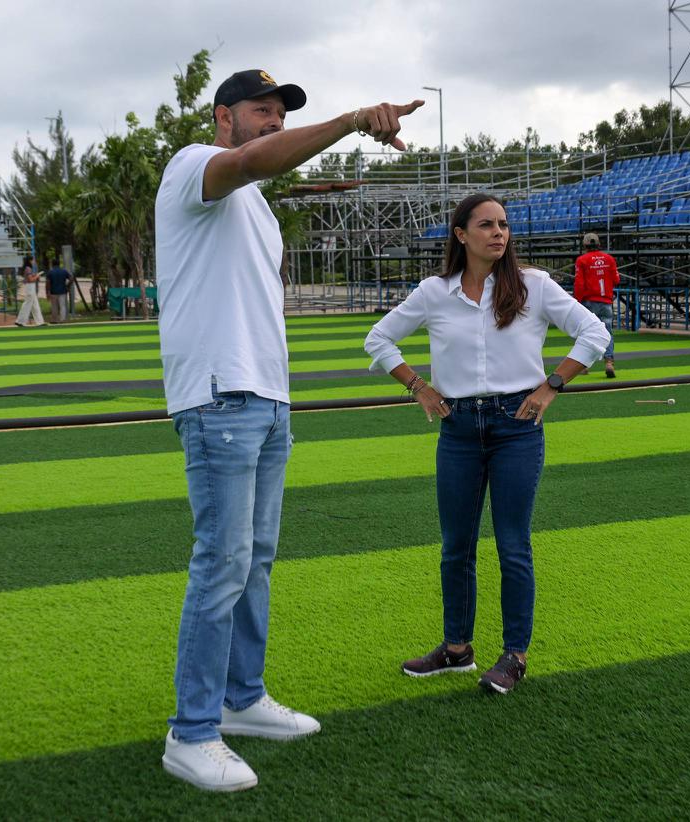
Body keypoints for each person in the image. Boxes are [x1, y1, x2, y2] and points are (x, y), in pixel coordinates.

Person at [156, 67, 424, 793]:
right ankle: (191, 732)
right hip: (220, 396)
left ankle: (241, 698)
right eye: (261, 109)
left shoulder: (259, 210)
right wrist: (351, 122)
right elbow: (252, 163)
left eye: (280, 112)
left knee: (255, 561)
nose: (273, 120)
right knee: (223, 562)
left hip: (268, 398)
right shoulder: (194, 166)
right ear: (224, 117)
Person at [364, 193, 610, 696]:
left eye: (503, 224)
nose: (499, 233)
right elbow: (379, 339)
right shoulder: (434, 292)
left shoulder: (533, 285)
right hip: (457, 428)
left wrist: (551, 386)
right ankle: (457, 649)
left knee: (513, 544)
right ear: (461, 235)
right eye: (486, 225)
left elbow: (594, 332)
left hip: (517, 425)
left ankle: (514, 655)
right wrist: (418, 386)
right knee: (455, 546)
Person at [573, 232, 621, 378]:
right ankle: (609, 362)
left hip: (588, 302)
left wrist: (577, 300)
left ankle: (584, 366)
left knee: (586, 333)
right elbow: (616, 280)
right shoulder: (609, 259)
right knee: (607, 332)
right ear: (599, 244)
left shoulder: (582, 260)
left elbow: (579, 283)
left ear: (585, 245)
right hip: (606, 301)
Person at [13, 255, 44, 327]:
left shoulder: (27, 268)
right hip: (30, 287)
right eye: (33, 260)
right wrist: (37, 276)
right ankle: (20, 321)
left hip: (30, 287)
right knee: (27, 304)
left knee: (35, 305)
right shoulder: (28, 268)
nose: (34, 262)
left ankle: (40, 322)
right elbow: (30, 279)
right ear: (30, 261)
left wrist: (35, 275)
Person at [43, 258, 73, 323]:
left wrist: (47, 292)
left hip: (53, 292)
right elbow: (71, 278)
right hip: (63, 291)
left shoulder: (50, 272)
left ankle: (54, 320)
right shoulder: (64, 271)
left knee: (54, 306)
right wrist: (67, 286)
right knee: (62, 306)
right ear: (59, 264)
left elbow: (48, 283)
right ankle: (62, 319)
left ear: (52, 264)